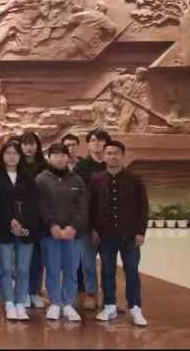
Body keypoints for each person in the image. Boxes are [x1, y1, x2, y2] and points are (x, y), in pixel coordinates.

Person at [90, 140, 149, 327]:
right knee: (107, 271)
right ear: (104, 156)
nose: (112, 156)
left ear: (122, 155)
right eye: (109, 153)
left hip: (130, 235)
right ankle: (109, 305)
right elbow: (91, 207)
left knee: (131, 271)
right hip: (105, 235)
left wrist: (141, 231)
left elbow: (143, 206)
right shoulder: (96, 179)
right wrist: (93, 229)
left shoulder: (134, 179)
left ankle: (135, 307)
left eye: (116, 153)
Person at [36, 143, 88, 322]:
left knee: (71, 269)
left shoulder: (77, 180)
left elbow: (82, 206)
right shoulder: (41, 179)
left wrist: (73, 226)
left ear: (68, 158)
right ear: (49, 158)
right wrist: (52, 226)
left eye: (63, 155)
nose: (59, 158)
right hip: (50, 233)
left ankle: (68, 303)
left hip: (73, 234)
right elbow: (41, 205)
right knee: (52, 268)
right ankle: (55, 303)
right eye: (55, 155)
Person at [0, 141, 40, 322]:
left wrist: (21, 222)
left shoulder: (28, 177)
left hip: (26, 229)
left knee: (23, 269)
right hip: (4, 229)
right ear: (2, 156)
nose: (11, 156)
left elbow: (34, 204)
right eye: (8, 153)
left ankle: (20, 302)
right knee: (6, 269)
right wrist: (10, 221)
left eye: (15, 153)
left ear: (20, 156)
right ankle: (9, 303)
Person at [74, 129, 111, 311]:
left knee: (108, 262)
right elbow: (80, 197)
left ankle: (109, 298)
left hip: (109, 224)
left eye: (101, 140)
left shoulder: (111, 164)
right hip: (87, 223)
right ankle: (90, 294)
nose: (97, 143)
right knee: (88, 262)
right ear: (88, 144)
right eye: (93, 140)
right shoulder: (81, 167)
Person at [20, 131, 48, 309]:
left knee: (37, 258)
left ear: (37, 146)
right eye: (25, 144)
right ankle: (22, 291)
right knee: (21, 258)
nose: (28, 147)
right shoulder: (16, 165)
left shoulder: (45, 167)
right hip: (20, 218)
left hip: (39, 219)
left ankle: (34, 291)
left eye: (31, 143)